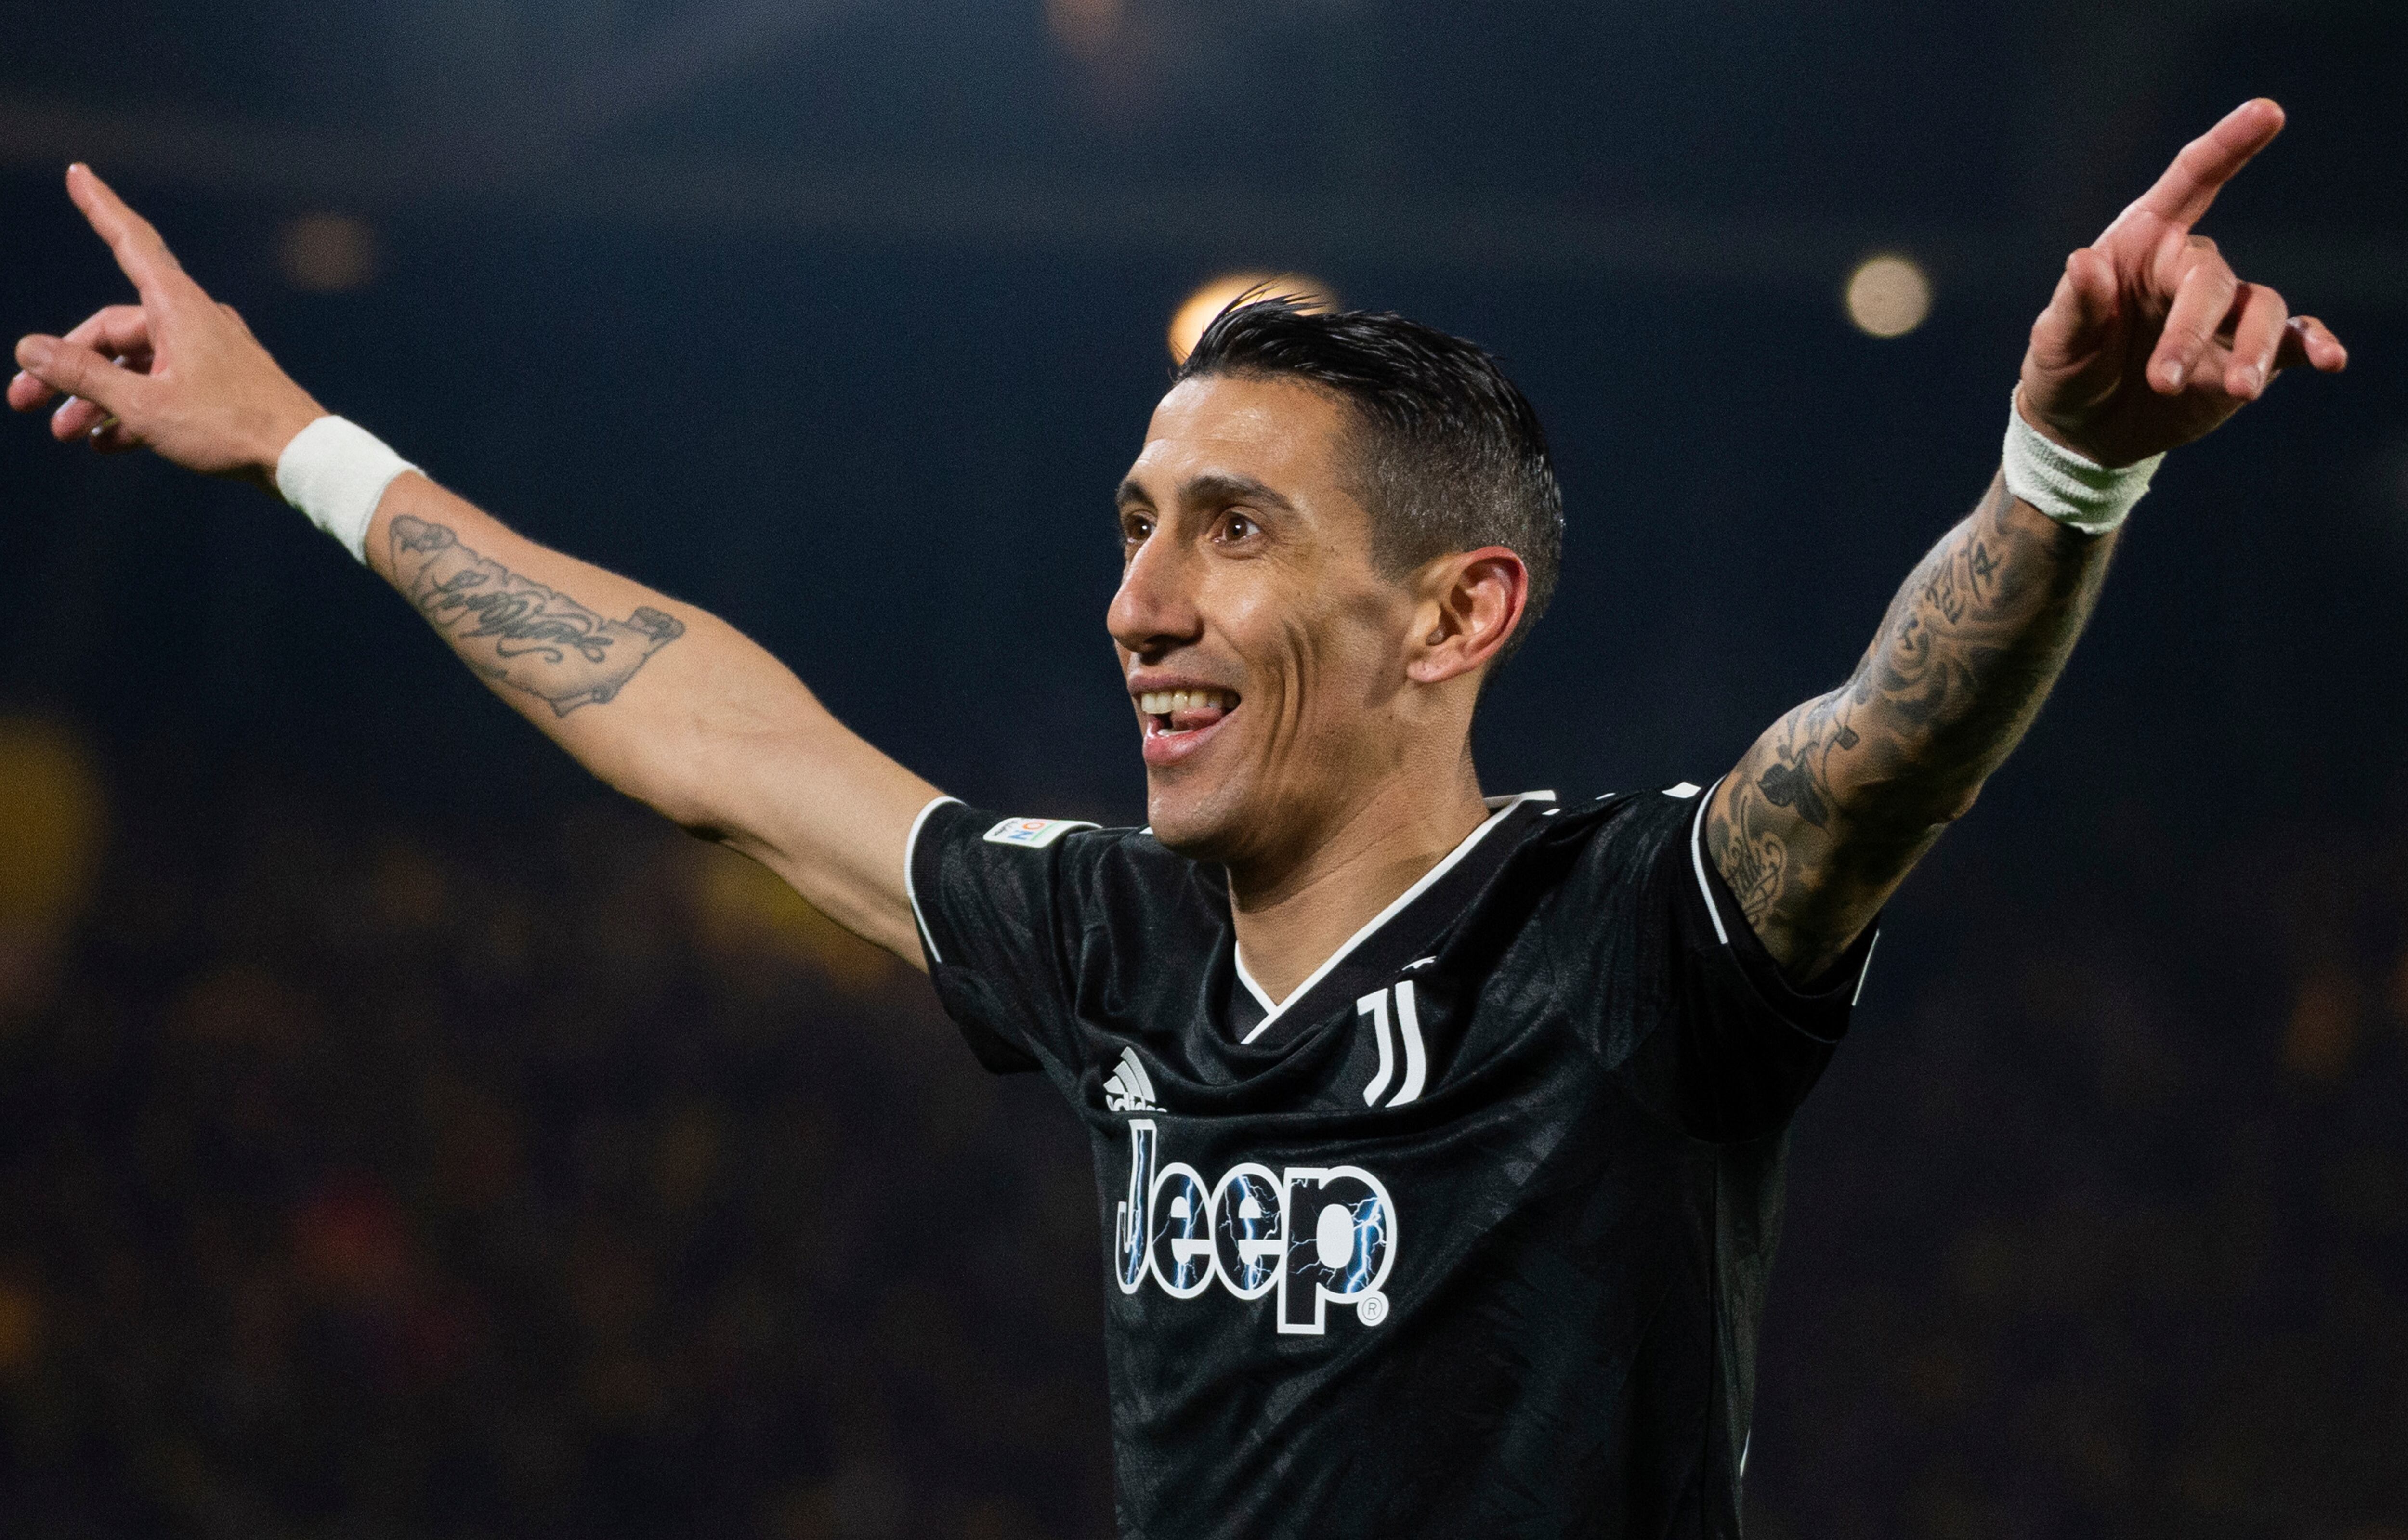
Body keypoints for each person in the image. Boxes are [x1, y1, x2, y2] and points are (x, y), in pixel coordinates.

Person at [8, 98, 2347, 1539]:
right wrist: (301, 441)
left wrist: (2063, 468)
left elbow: (1879, 742)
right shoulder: (1109, 939)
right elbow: (715, 736)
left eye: (1227, 527)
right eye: (1133, 520)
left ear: (1458, 612)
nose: (1135, 598)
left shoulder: (1624, 927)